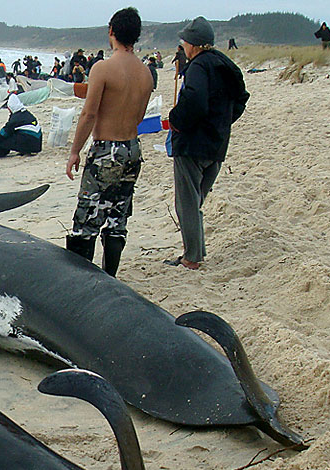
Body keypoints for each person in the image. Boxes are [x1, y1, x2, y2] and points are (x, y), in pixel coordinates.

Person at [64, 7, 153, 277]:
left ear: (111, 31)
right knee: (117, 217)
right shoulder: (146, 74)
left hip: (106, 148)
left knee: (86, 219)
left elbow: (89, 113)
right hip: (132, 148)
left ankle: (81, 280)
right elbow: (139, 117)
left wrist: (75, 151)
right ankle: (110, 277)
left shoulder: (103, 68)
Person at [166, 16, 249, 270]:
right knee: (195, 201)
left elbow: (196, 101)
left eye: (185, 42)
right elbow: (241, 98)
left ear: (193, 44)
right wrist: (222, 123)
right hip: (216, 144)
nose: (183, 46)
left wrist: (175, 120)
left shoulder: (199, 66)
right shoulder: (225, 64)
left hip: (193, 145)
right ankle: (196, 252)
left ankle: (191, 258)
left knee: (187, 203)